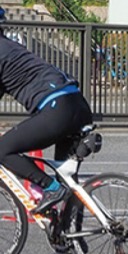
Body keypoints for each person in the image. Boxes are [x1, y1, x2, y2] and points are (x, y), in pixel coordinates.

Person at [0, 22, 93, 214]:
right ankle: (66, 236)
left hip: (57, 109)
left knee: (2, 150)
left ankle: (51, 189)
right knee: (67, 180)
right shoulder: (11, 48)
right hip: (77, 104)